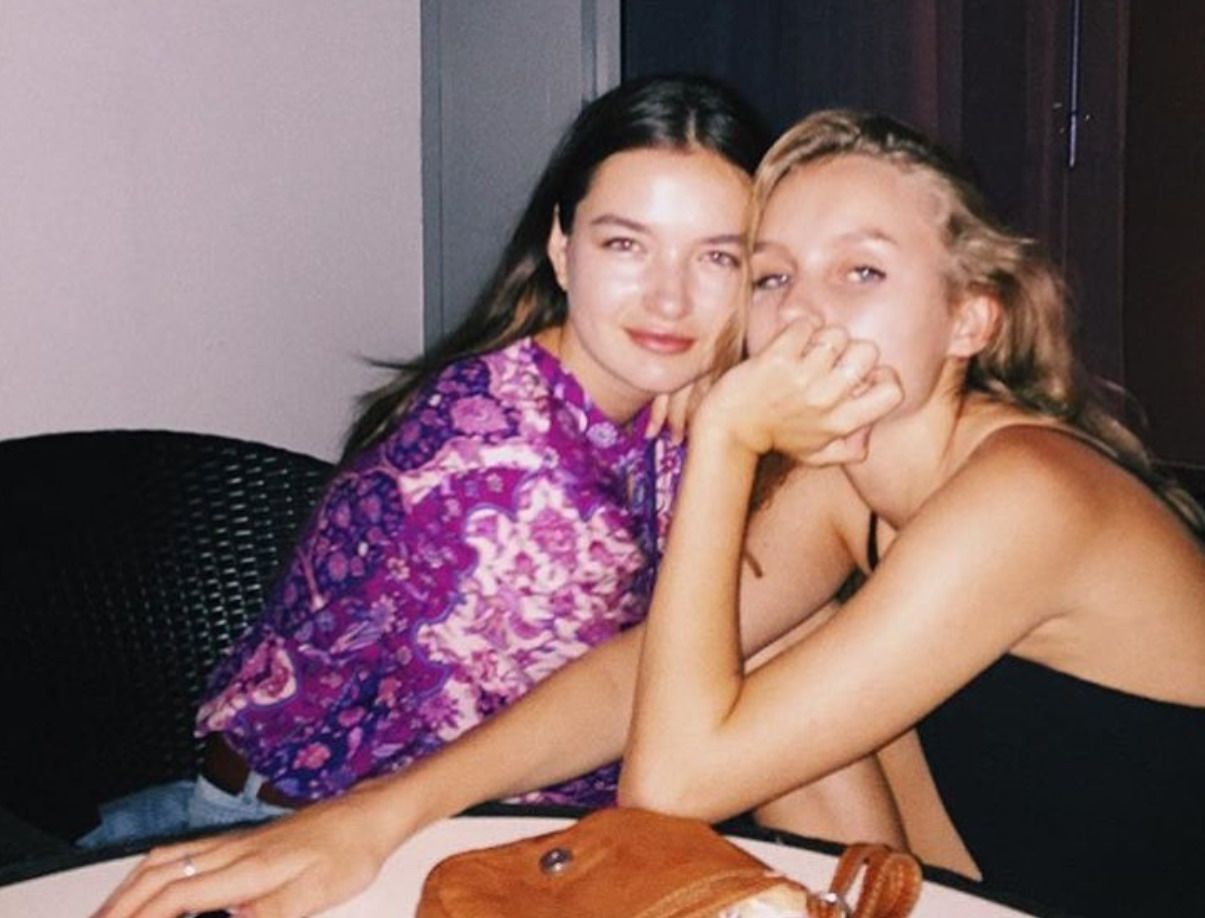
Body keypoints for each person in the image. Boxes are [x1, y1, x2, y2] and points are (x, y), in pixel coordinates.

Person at [79, 74, 769, 847]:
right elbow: (652, 746)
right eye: (626, 245)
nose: (671, 299)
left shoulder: (637, 396)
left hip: (400, 812)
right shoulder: (518, 478)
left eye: (718, 257)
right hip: (295, 831)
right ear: (561, 249)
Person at [619, 110, 1205, 916]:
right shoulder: (852, 472)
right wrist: (447, 790)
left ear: (968, 319)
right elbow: (636, 675)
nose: (799, 313)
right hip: (1002, 878)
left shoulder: (1029, 494)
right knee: (764, 648)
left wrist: (725, 441)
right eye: (772, 278)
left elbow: (669, 786)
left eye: (861, 271)